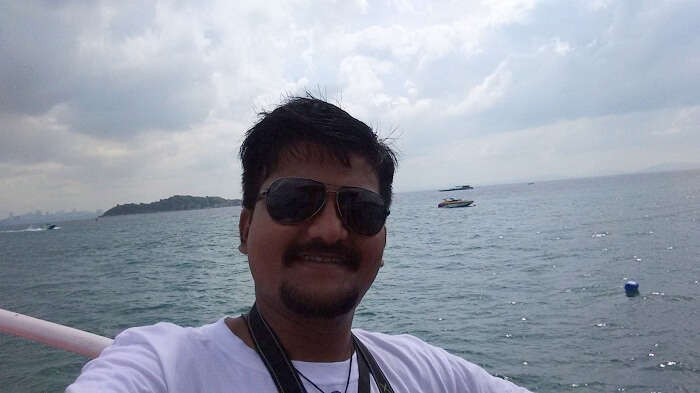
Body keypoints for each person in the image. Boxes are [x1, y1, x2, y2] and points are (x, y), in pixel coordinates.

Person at [67, 96, 532, 392]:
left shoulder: (428, 373)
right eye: (295, 200)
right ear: (245, 229)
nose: (329, 230)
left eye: (360, 208)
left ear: (383, 240)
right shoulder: (163, 366)